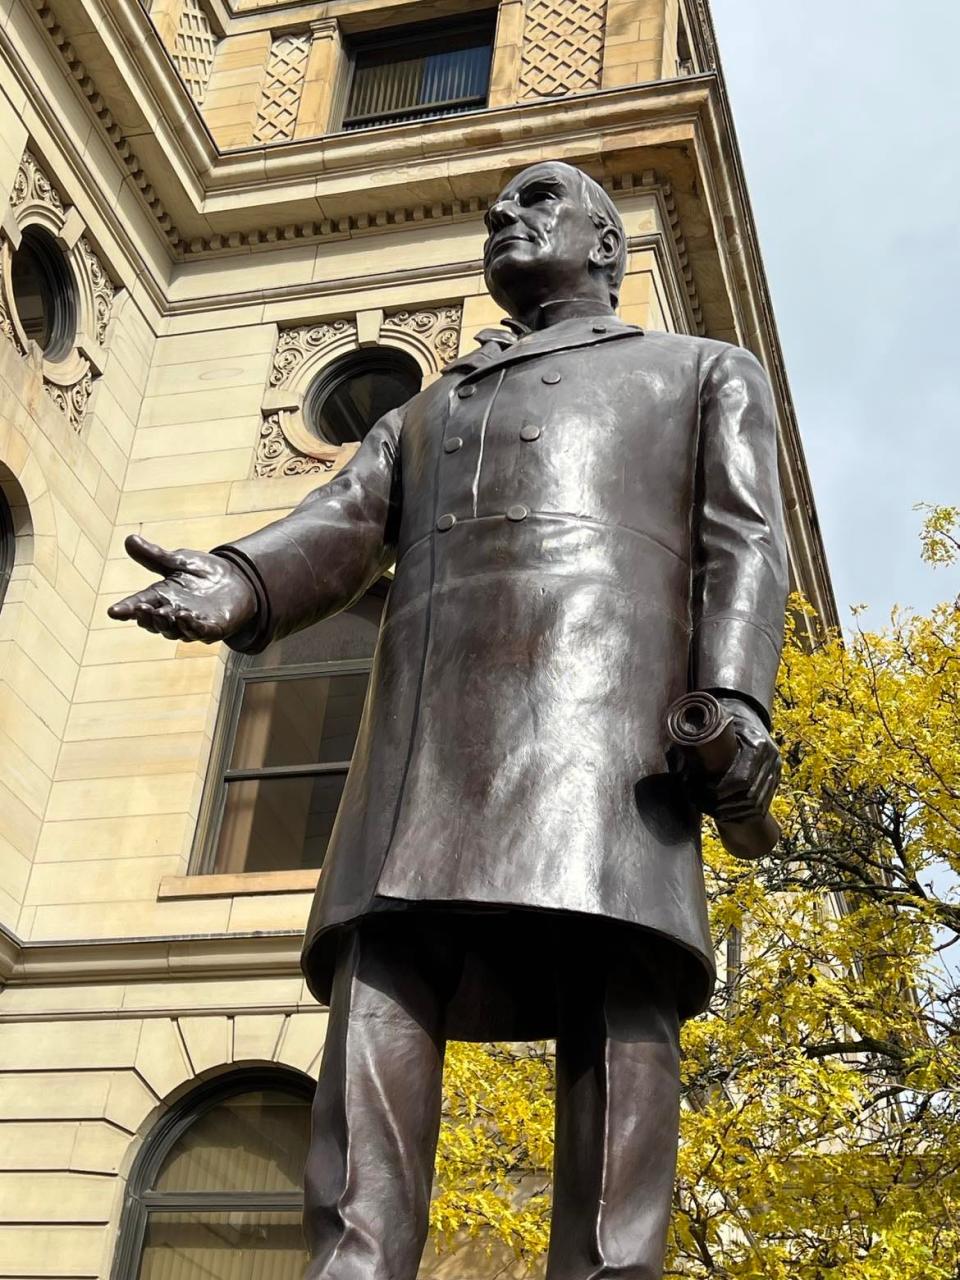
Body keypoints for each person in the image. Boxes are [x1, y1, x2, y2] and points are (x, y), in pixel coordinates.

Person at [110, 161, 787, 1280]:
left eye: (535, 202)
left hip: (611, 754)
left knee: (621, 1015)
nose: (501, 219)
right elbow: (338, 523)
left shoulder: (701, 370)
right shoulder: (429, 410)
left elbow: (743, 545)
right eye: (496, 211)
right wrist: (236, 582)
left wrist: (735, 703)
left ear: (609, 248)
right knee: (381, 1001)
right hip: (418, 759)